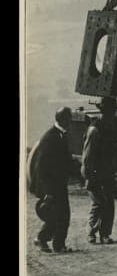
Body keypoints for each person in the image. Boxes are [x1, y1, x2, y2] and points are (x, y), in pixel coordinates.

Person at [81, 96, 117, 245]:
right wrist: (88, 177)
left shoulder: (110, 127)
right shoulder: (94, 130)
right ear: (105, 112)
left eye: (113, 112)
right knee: (99, 203)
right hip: (95, 173)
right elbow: (87, 157)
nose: (112, 114)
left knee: (109, 203)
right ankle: (91, 233)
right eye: (111, 111)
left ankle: (105, 234)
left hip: (107, 171)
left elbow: (114, 149)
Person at [31, 107, 79, 253]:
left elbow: (64, 161)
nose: (71, 122)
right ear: (63, 120)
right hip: (51, 186)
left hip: (58, 184)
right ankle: (45, 240)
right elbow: (41, 167)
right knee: (58, 215)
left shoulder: (60, 135)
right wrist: (48, 192)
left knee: (62, 214)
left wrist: (79, 172)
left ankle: (56, 244)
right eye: (69, 119)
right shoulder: (50, 138)